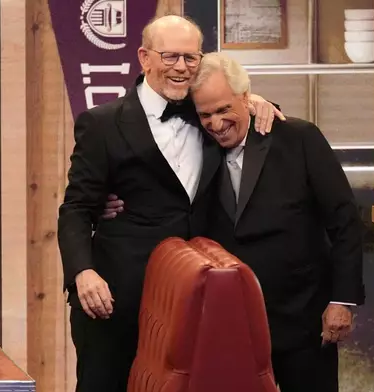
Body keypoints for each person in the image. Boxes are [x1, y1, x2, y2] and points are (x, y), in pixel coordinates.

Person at [105, 52, 365, 391]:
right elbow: (153, 118)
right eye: (206, 114)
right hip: (229, 329)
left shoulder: (298, 138)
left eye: (224, 109)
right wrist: (102, 204)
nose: (215, 123)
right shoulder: (197, 146)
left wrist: (341, 301)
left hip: (304, 320)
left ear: (246, 98)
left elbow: (344, 220)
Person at [57, 15, 282, 392]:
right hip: (118, 296)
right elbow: (77, 207)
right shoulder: (102, 123)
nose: (181, 68)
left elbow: (233, 105)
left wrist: (257, 101)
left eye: (191, 58)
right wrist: (83, 272)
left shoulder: (208, 115)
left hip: (197, 299)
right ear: (144, 58)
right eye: (170, 56)